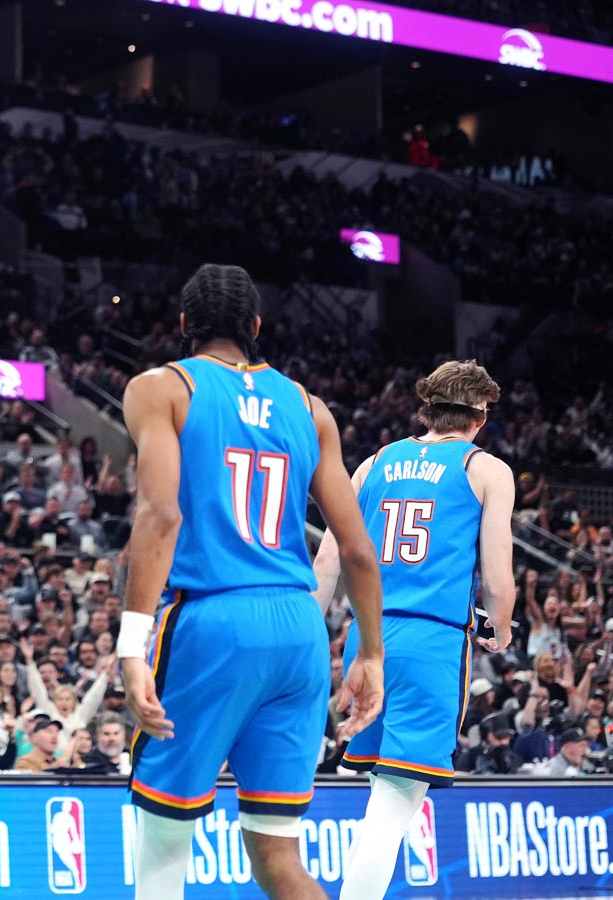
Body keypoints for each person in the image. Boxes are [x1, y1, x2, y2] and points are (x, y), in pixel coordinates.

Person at [117, 265, 384, 900]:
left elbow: (161, 514)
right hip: (298, 630)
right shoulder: (308, 407)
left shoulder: (163, 388)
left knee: (162, 848)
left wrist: (132, 646)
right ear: (256, 328)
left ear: (184, 326)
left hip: (216, 619)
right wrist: (370, 651)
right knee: (276, 856)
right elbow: (357, 550)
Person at [312, 360, 515, 900]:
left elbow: (329, 558)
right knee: (396, 800)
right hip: (431, 643)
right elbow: (498, 580)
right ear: (478, 416)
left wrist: (312, 632)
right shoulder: (486, 469)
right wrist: (501, 627)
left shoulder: (375, 462)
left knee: (386, 790)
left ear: (427, 408)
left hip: (367, 638)